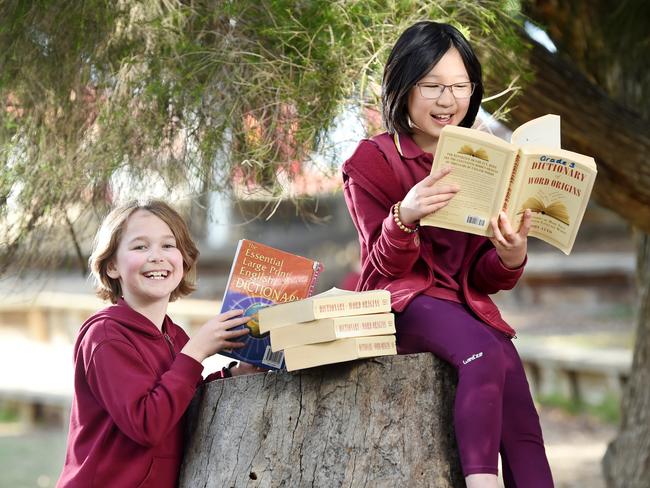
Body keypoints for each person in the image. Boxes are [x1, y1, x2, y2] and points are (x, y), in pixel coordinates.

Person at [342, 21, 554, 488]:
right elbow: (381, 265)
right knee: (482, 352)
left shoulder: (483, 158)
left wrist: (511, 254)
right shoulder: (373, 160)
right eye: (433, 85)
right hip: (400, 302)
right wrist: (406, 215)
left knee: (515, 386)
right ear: (402, 85)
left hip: (462, 305)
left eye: (460, 86)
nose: (448, 100)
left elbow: (480, 276)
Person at [57, 200, 258, 487]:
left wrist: (237, 373)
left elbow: (179, 402)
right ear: (112, 264)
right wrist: (196, 351)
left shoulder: (174, 335)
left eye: (168, 245)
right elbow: (148, 424)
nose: (157, 256)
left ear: (183, 258)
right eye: (140, 247)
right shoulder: (104, 336)